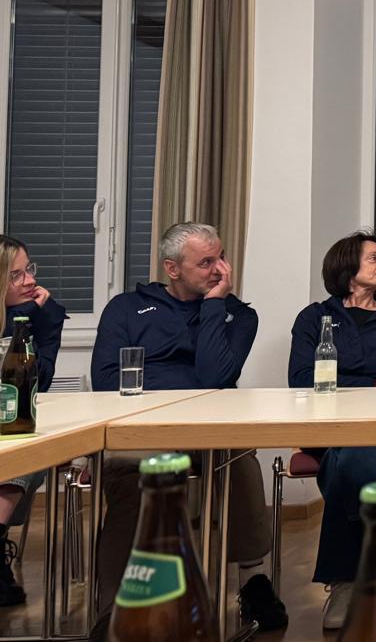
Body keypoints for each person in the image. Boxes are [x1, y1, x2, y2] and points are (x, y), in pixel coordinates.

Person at [90, 222, 284, 631]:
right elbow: (107, 380)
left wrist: (214, 306)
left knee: (240, 457)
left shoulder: (238, 316)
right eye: (206, 262)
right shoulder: (125, 309)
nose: (220, 270)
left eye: (221, 258)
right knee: (133, 474)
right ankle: (116, 608)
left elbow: (216, 377)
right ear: (172, 268)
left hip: (209, 425)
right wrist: (185, 385)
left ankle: (254, 580)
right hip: (144, 426)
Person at [287, 232, 376, 631]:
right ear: (348, 267)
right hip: (324, 425)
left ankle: (345, 581)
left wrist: (339, 368)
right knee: (356, 450)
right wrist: (373, 380)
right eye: (374, 258)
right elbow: (301, 378)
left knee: (356, 454)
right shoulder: (313, 318)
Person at [0, 235, 67, 606]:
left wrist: (36, 324)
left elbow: (39, 381)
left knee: (30, 449)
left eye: (29, 270)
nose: (30, 280)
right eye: (16, 275)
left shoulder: (34, 316)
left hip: (9, 426)